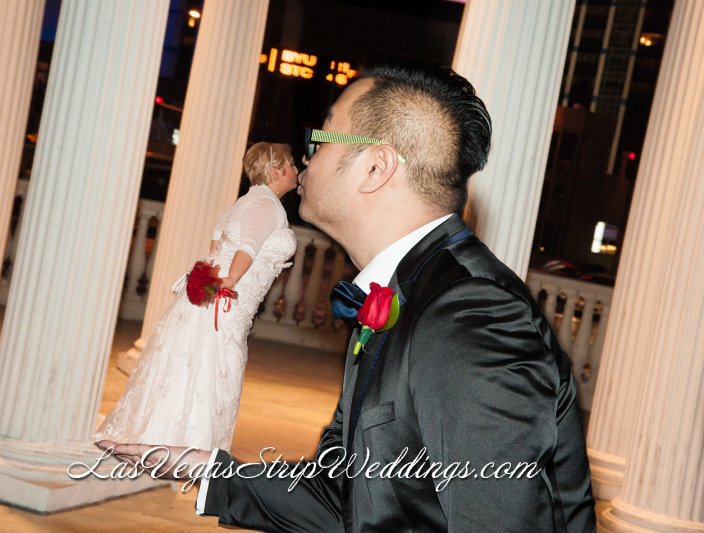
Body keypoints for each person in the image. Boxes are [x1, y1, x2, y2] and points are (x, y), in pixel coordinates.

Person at [98, 58, 596, 532]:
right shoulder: (401, 291)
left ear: (377, 168)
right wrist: (207, 469)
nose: (307, 157)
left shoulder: (472, 316)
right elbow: (347, 495)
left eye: (320, 136)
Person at [94, 142, 298, 451]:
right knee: (209, 370)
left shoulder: (246, 200)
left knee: (193, 366)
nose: (296, 169)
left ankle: (167, 440)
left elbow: (216, 244)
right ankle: (191, 448)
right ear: (275, 171)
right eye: (291, 164)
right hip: (226, 303)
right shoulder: (266, 204)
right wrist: (230, 280)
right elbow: (248, 247)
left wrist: (213, 276)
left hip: (220, 301)